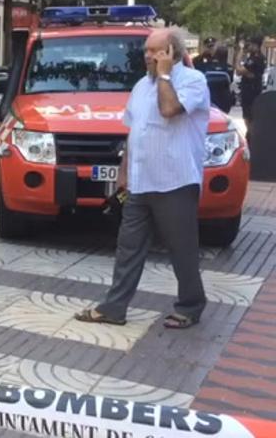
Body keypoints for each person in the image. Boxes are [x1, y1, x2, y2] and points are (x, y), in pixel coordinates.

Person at [75, 28, 210, 329]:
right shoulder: (140, 86)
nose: (147, 56)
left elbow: (170, 110)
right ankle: (114, 307)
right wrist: (124, 172)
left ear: (172, 52)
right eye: (147, 51)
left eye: (155, 51)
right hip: (140, 183)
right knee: (128, 247)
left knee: (182, 248)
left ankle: (190, 306)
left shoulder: (193, 81)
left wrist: (164, 76)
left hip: (175, 181)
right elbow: (134, 132)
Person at [235, 36, 266, 139]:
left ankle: (252, 137)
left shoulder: (257, 58)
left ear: (257, 45)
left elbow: (239, 71)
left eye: (252, 44)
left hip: (252, 91)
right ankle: (251, 136)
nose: (250, 46)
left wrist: (240, 52)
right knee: (247, 116)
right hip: (248, 90)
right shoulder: (251, 57)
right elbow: (240, 73)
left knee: (250, 116)